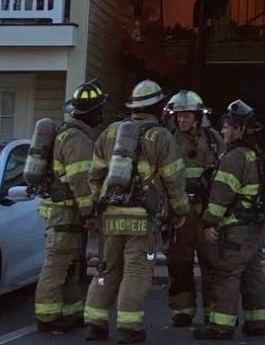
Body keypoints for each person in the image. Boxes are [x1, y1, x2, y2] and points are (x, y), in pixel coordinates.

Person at [85, 80, 189, 343]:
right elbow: (173, 179)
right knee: (135, 271)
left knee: (106, 268)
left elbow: (94, 175)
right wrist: (179, 212)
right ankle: (129, 327)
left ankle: (95, 323)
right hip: (143, 218)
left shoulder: (110, 132)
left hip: (110, 214)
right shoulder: (161, 136)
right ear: (157, 106)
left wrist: (97, 206)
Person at [34, 79, 107, 334]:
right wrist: (90, 214)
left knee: (71, 264)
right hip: (67, 213)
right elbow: (81, 182)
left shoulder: (68, 132)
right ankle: (47, 317)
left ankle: (71, 313)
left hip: (63, 212)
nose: (101, 114)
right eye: (99, 109)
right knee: (57, 265)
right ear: (91, 112)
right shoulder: (77, 139)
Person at [193, 101, 265, 340]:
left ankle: (221, 327)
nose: (223, 131)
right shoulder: (256, 154)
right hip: (254, 228)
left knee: (227, 273)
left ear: (238, 129)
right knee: (252, 273)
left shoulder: (234, 157)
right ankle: (257, 322)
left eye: (226, 127)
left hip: (235, 229)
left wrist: (208, 223)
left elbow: (220, 196)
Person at [163, 91, 221, 328]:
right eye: (178, 116)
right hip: (180, 213)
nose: (181, 120)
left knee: (212, 263)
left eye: (186, 115)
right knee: (179, 262)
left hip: (207, 212)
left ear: (197, 116)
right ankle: (182, 310)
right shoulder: (167, 139)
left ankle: (213, 311)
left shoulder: (214, 139)